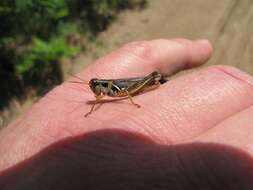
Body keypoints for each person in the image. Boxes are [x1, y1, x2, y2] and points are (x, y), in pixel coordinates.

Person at [0, 39, 253, 189]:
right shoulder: (101, 91)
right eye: (95, 87)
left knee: (148, 80)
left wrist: (130, 103)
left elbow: (116, 92)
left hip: (138, 85)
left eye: (96, 87)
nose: (95, 90)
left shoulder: (110, 89)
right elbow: (102, 97)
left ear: (101, 85)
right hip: (129, 88)